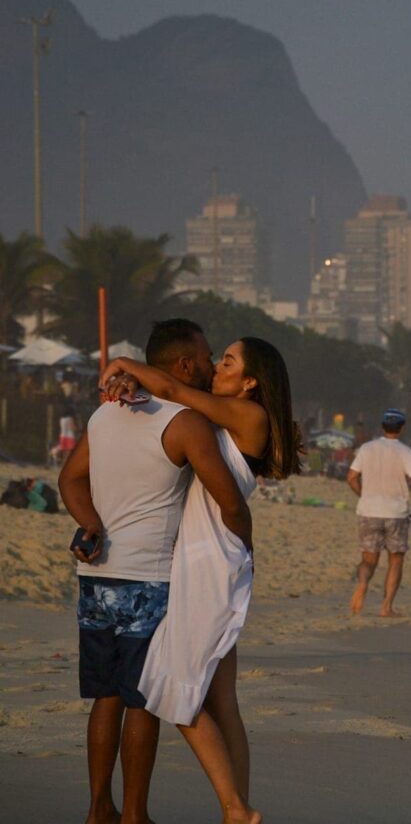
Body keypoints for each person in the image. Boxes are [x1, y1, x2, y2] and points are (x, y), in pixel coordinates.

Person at [59, 319, 258, 824]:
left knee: (105, 697)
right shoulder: (185, 424)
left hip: (97, 575)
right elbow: (228, 501)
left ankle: (98, 807)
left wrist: (91, 524)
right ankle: (135, 814)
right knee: (142, 700)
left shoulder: (105, 416)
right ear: (185, 365)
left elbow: (69, 479)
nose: (213, 365)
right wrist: (244, 552)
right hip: (150, 579)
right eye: (209, 356)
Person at [99, 332, 301, 818]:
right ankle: (240, 808)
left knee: (172, 688)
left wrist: (125, 360)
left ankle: (236, 808)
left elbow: (178, 392)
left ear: (250, 382)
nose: (219, 367)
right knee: (222, 700)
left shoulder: (247, 415)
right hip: (208, 557)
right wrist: (131, 380)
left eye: (228, 362)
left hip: (209, 563)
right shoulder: (227, 417)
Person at [346, 408, 411, 617]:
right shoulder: (405, 452)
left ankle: (362, 584)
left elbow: (351, 477)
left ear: (382, 427)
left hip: (369, 511)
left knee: (368, 560)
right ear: (402, 428)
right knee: (396, 560)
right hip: (396, 513)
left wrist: (364, 495)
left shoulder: (367, 448)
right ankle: (386, 607)